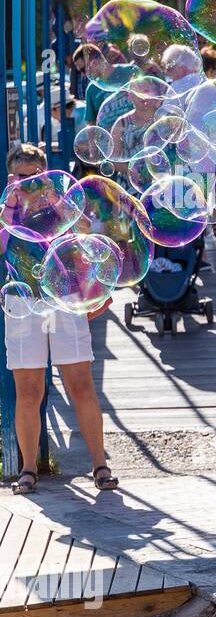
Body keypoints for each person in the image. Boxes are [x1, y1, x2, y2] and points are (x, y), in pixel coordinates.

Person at [2, 145, 118, 494]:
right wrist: (10, 204)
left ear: (46, 174)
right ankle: (27, 468)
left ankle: (100, 465)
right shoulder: (7, 212)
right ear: (11, 178)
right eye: (21, 177)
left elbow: (86, 234)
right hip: (22, 302)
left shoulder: (61, 209)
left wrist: (55, 200)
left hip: (64, 299)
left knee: (80, 383)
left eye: (34, 177)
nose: (28, 184)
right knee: (28, 389)